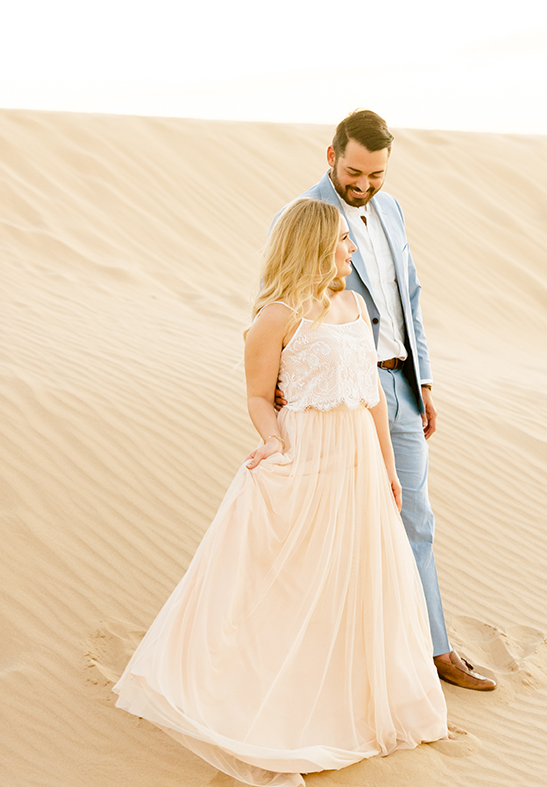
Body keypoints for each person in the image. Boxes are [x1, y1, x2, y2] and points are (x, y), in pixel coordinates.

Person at [113, 199, 449, 787]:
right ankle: (266, 697)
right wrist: (272, 442)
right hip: (306, 457)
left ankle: (352, 693)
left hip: (358, 464)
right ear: (316, 244)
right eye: (344, 240)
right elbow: (256, 396)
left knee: (353, 577)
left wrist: (389, 467)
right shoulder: (277, 316)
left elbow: (370, 393)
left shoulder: (352, 304)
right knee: (291, 580)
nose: (351, 250)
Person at [285, 110, 496, 691]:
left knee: (416, 522)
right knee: (342, 528)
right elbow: (275, 300)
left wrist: (423, 381)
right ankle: (337, 662)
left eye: (376, 175)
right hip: (342, 398)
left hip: (400, 389)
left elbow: (411, 298)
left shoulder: (393, 209)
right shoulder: (305, 215)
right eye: (355, 171)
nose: (365, 184)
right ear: (330, 156)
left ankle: (433, 651)